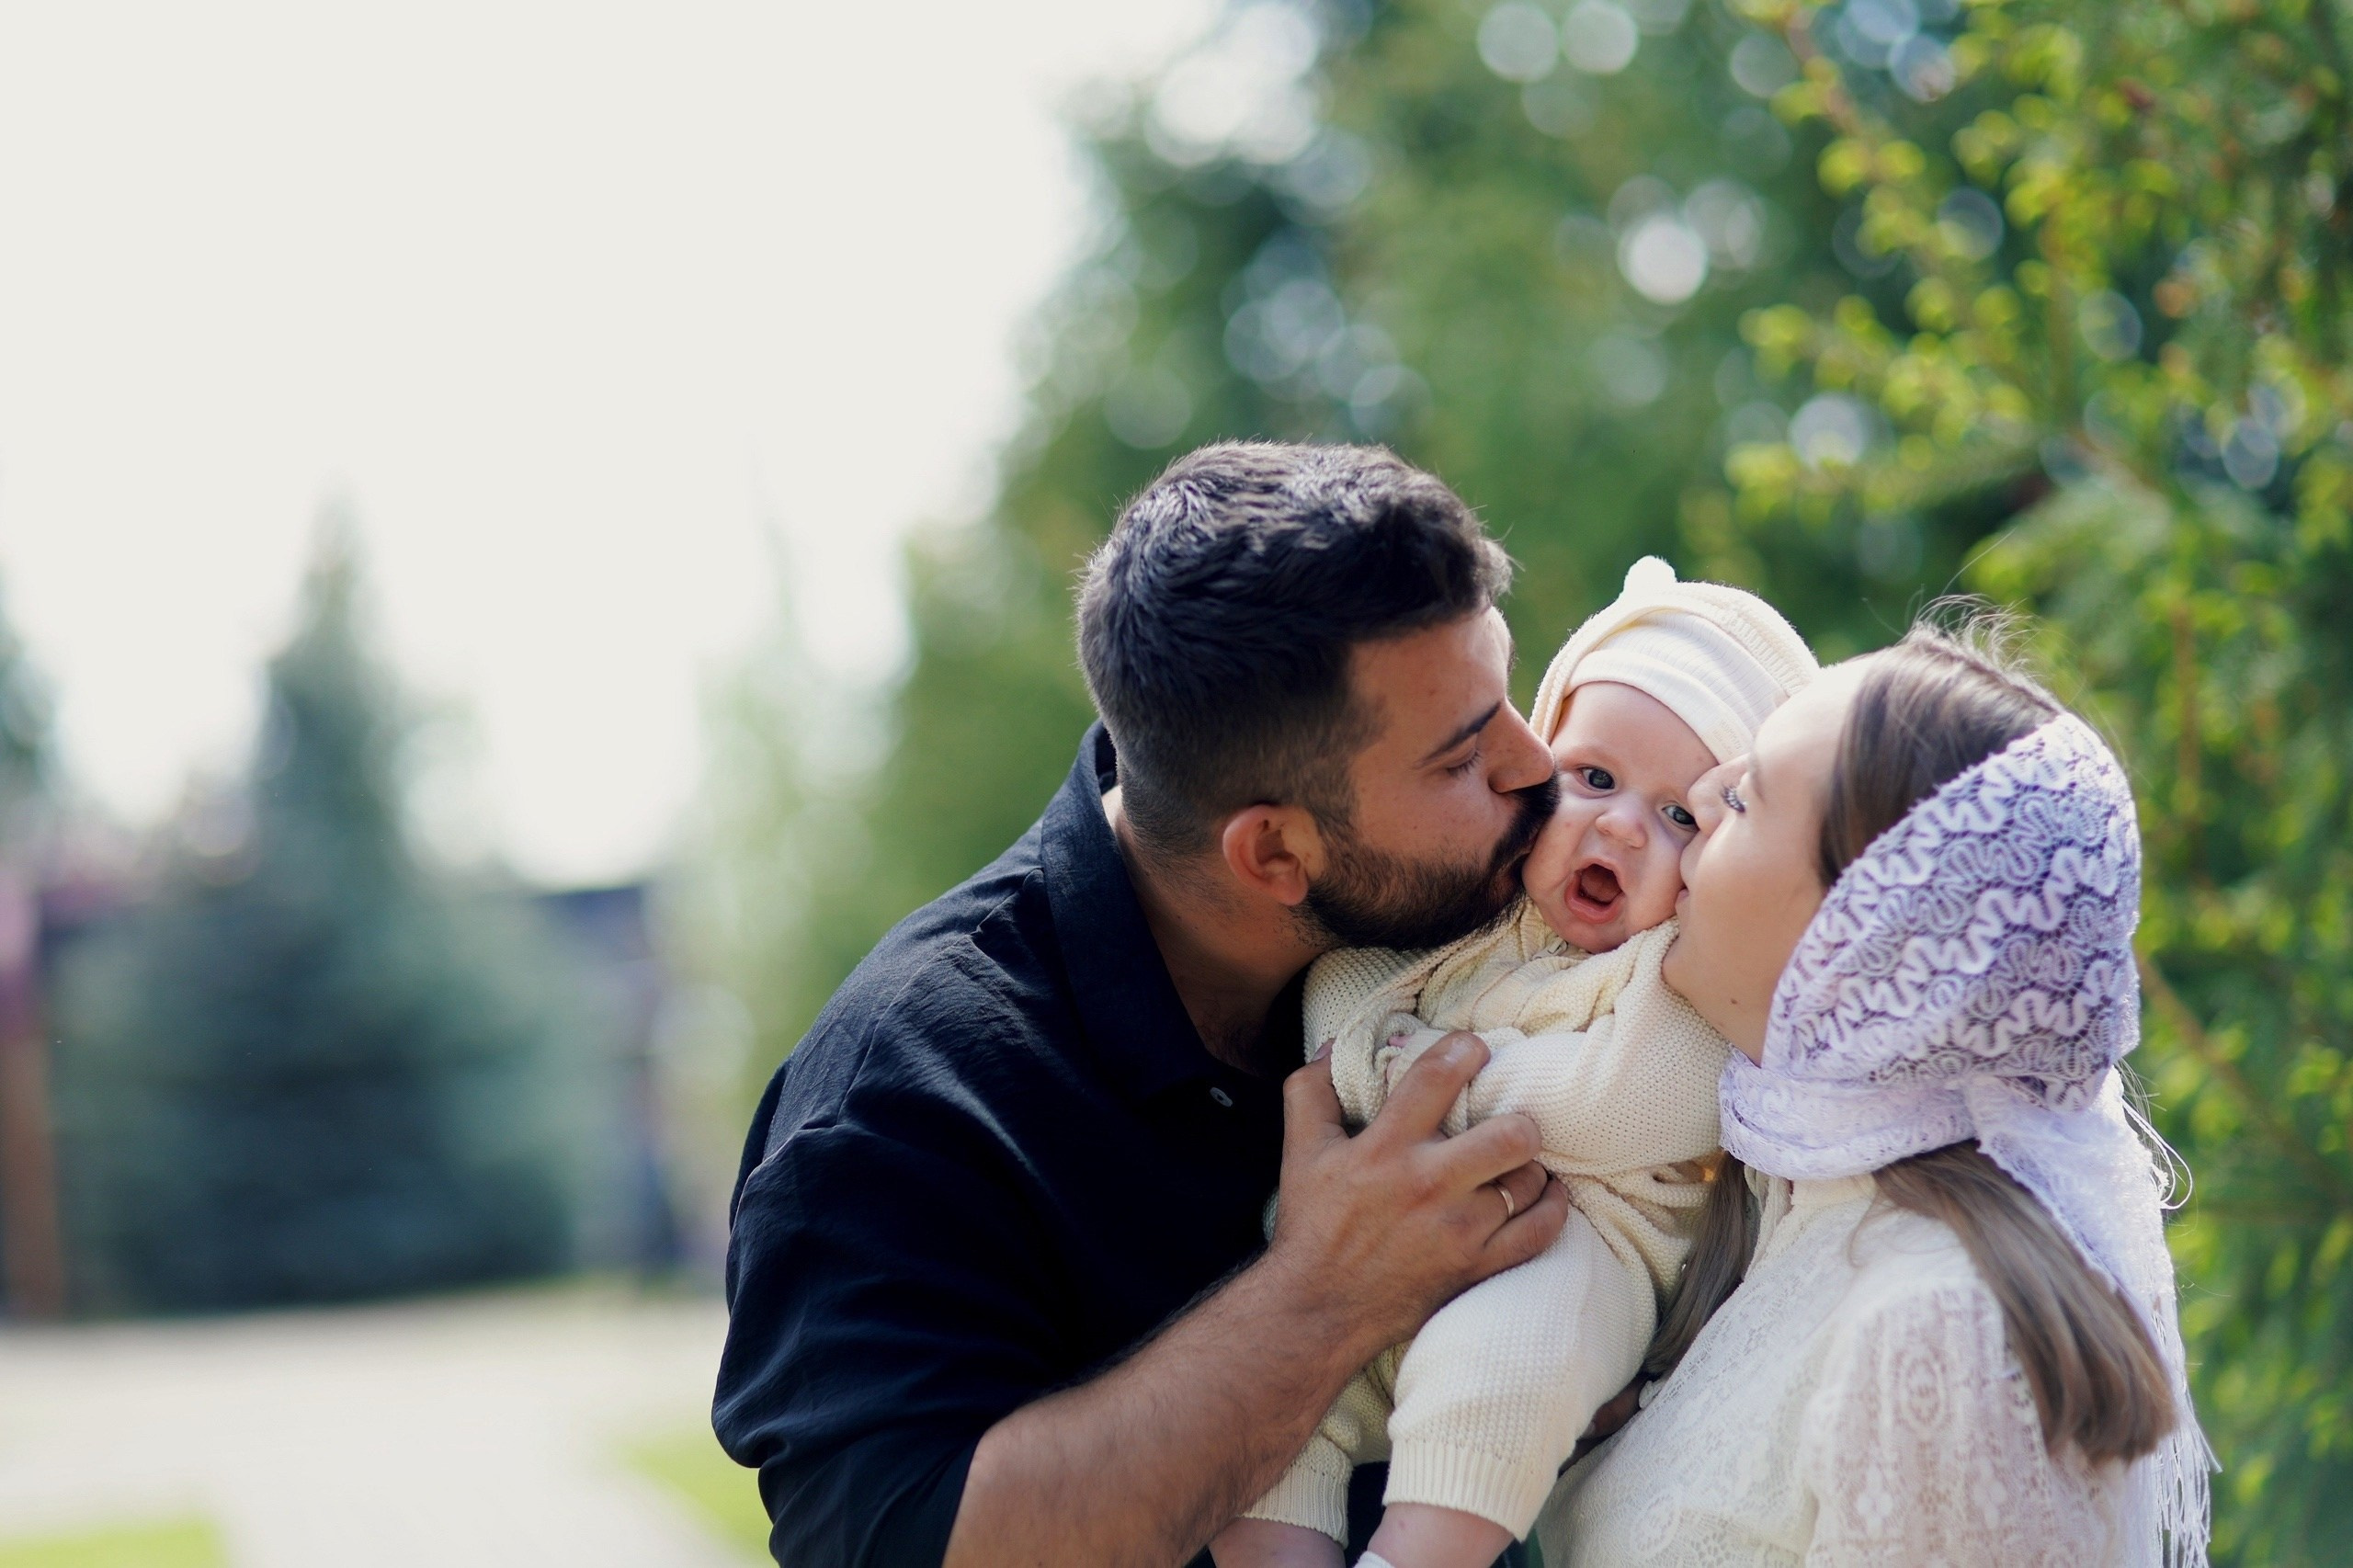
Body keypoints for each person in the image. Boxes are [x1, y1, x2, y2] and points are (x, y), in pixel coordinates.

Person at [714, 441, 1577, 1568]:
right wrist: (1326, 1296)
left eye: (1504, 697)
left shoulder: (1469, 927)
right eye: (1463, 759)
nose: (1538, 761)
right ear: (1274, 851)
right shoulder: (898, 1101)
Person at [1540, 618, 2212, 1567]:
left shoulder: (1949, 1334)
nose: (1698, 794)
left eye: (1746, 794)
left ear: (1866, 929)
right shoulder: (1766, 1197)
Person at [1215, 560, 1816, 1568]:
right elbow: (1349, 986)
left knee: (1502, 1366)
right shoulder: (1484, 910)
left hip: (1569, 1249)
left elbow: (1607, 1106)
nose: (1621, 824)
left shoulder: (1675, 978)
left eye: (1680, 816)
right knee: (1264, 1389)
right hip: (1379, 1241)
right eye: (1594, 777)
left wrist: (1417, 1074)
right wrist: (1369, 1051)